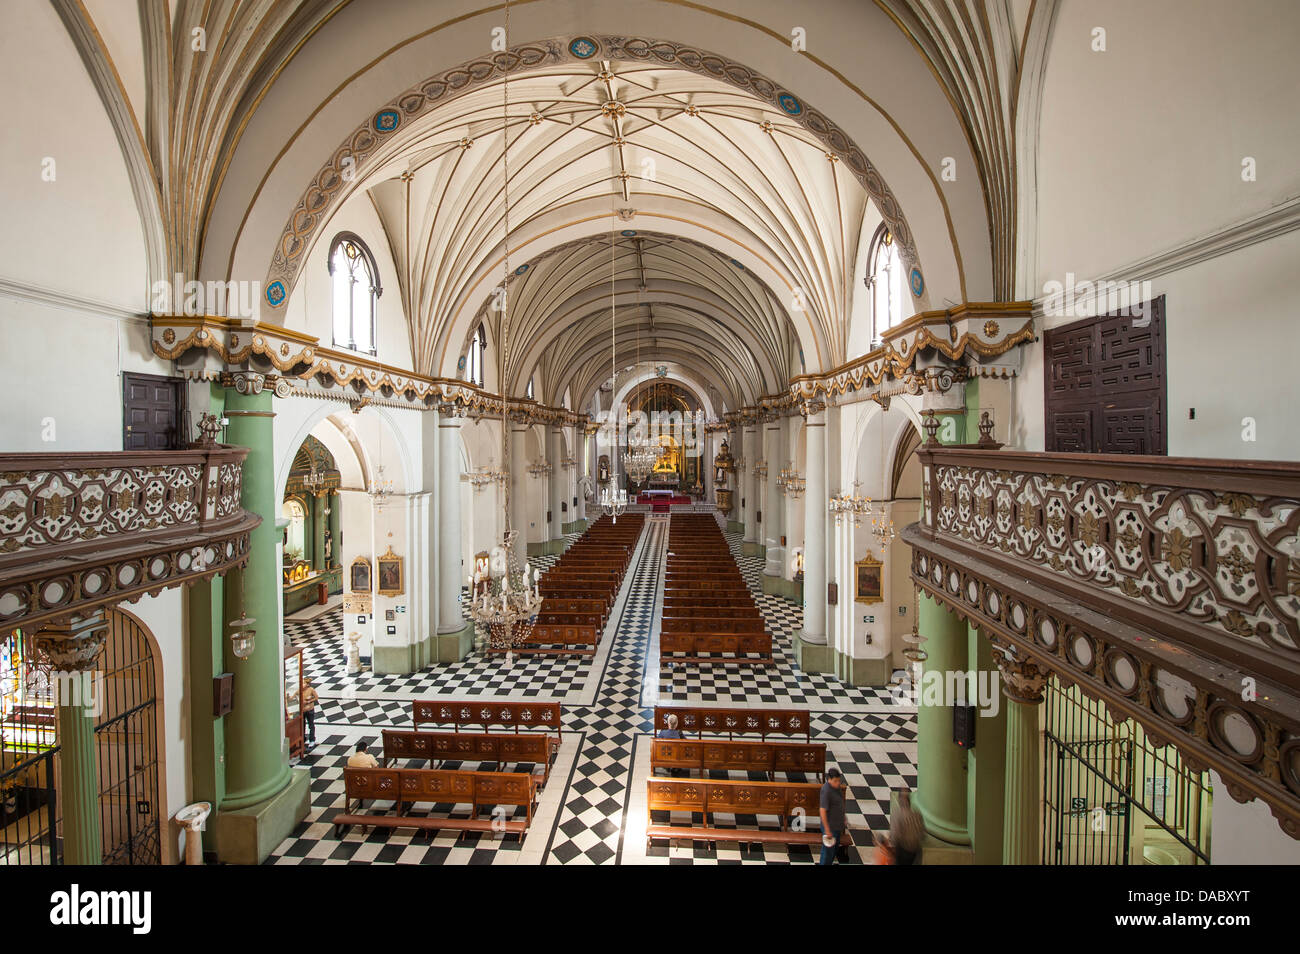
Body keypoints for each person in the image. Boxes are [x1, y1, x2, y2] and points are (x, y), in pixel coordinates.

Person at [875, 788, 925, 865]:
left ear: (899, 801)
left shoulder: (897, 814)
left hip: (903, 850)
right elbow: (922, 833)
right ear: (909, 800)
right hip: (916, 850)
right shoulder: (917, 814)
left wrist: (890, 847)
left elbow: (895, 835)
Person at [818, 767, 850, 865]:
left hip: (837, 826)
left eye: (839, 781)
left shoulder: (837, 788)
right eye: (835, 781)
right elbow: (822, 811)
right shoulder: (826, 791)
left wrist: (843, 817)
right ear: (829, 779)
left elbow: (840, 803)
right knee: (827, 853)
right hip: (830, 827)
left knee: (833, 851)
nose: (838, 783)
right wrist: (827, 830)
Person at [301, 677, 318, 749]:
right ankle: (303, 738)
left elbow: (316, 697)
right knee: (302, 725)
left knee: (311, 724)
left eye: (304, 683)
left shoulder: (311, 690)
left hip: (310, 710)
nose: (303, 685)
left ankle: (312, 739)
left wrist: (308, 701)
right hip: (302, 710)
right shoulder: (300, 690)